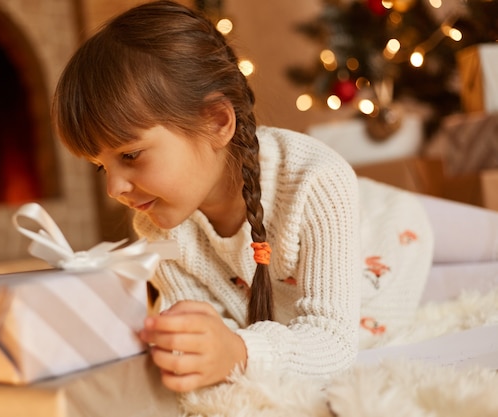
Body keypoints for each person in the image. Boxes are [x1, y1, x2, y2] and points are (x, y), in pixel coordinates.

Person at [52, 0, 498, 393]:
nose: (114, 189)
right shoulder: (157, 227)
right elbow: (208, 328)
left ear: (216, 122)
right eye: (101, 166)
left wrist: (239, 350)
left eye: (130, 154)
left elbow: (331, 341)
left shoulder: (315, 179)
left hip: (390, 227)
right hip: (360, 274)